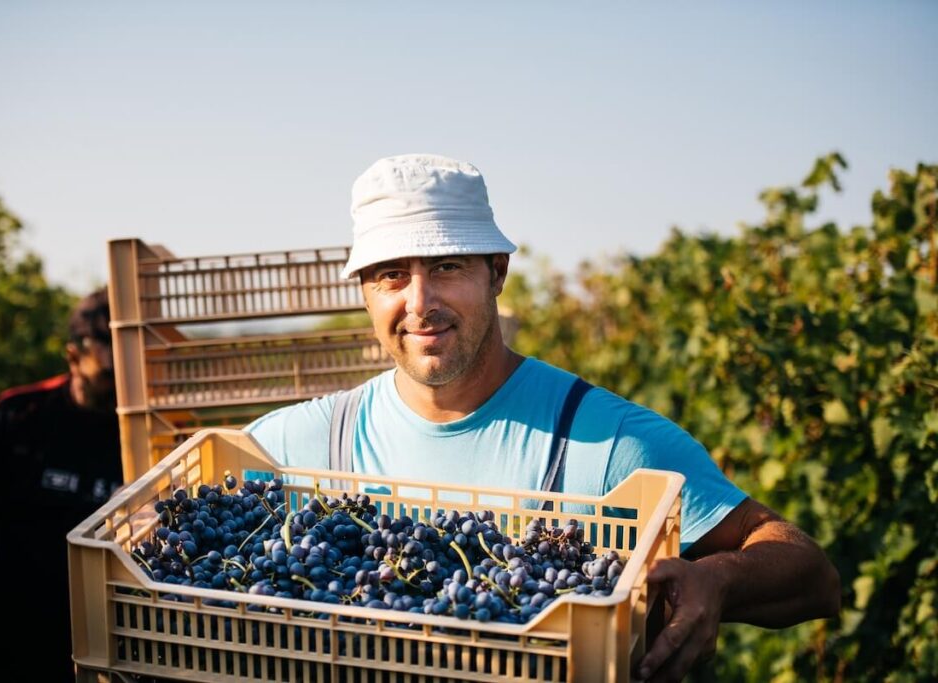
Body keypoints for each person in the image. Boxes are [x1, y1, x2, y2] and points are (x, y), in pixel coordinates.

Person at [245, 154, 841, 681]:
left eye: (447, 267)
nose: (419, 302)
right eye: (391, 275)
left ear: (497, 272)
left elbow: (813, 576)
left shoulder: (607, 443)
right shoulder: (298, 445)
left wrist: (722, 578)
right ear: (365, 293)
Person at [0, 287, 123, 683]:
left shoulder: (146, 433)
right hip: (20, 652)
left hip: (116, 659)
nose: (119, 388)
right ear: (73, 355)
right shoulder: (18, 418)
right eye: (107, 377)